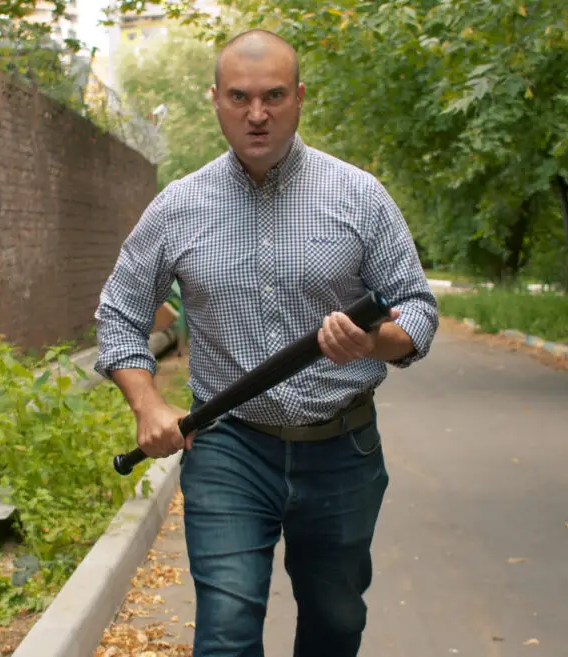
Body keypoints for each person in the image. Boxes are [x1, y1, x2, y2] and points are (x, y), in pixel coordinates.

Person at [94, 28, 439, 657]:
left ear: (299, 97)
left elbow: (418, 308)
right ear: (216, 101)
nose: (257, 114)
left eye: (274, 96)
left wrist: (372, 342)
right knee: (225, 633)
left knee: (336, 623)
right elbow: (119, 313)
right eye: (240, 97)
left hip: (342, 446)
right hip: (229, 444)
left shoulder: (359, 196)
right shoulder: (178, 206)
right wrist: (147, 403)